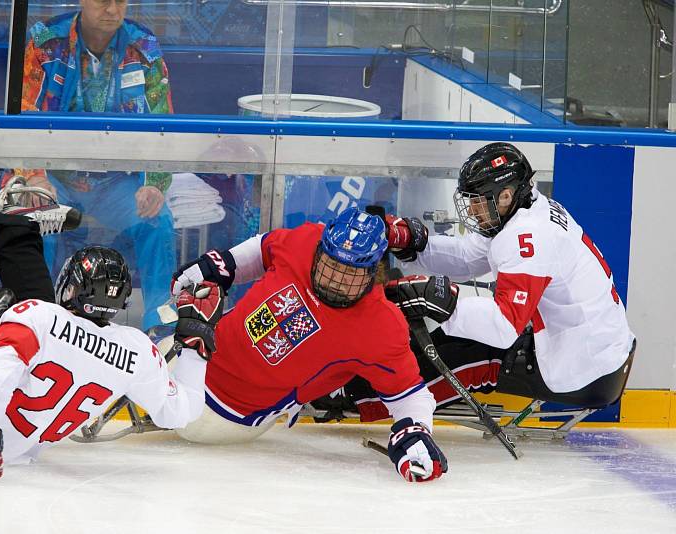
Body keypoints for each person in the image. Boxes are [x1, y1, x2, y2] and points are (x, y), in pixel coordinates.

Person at [0, 179, 222, 480]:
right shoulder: (137, 350)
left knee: (7, 301)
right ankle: (19, 229)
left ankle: (15, 228)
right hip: (11, 449)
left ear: (71, 287)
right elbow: (181, 413)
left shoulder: (39, 315)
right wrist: (197, 344)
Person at [349, 142, 636, 418]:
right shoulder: (525, 210)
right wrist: (416, 244)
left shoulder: (529, 235)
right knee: (448, 338)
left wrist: (440, 301)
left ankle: (356, 397)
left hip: (585, 368)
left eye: (478, 202)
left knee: (461, 356)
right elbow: (466, 256)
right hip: (590, 348)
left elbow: (503, 327)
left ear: (506, 195)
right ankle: (363, 384)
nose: (472, 211)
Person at [169, 207, 452, 483]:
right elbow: (263, 249)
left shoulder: (382, 327)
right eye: (331, 264)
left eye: (350, 273)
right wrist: (225, 264)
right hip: (190, 355)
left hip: (225, 416)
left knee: (149, 376)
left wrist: (416, 430)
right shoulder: (306, 240)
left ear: (373, 272)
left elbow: (410, 393)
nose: (335, 280)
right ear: (321, 249)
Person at [6, 0, 176, 333]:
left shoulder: (144, 48)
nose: (112, 9)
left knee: (158, 223)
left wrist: (154, 182)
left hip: (115, 182)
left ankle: (162, 330)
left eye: (120, 0)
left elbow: (163, 125)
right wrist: (35, 176)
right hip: (56, 177)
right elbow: (22, 116)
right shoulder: (46, 42)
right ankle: (31, 323)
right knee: (37, 221)